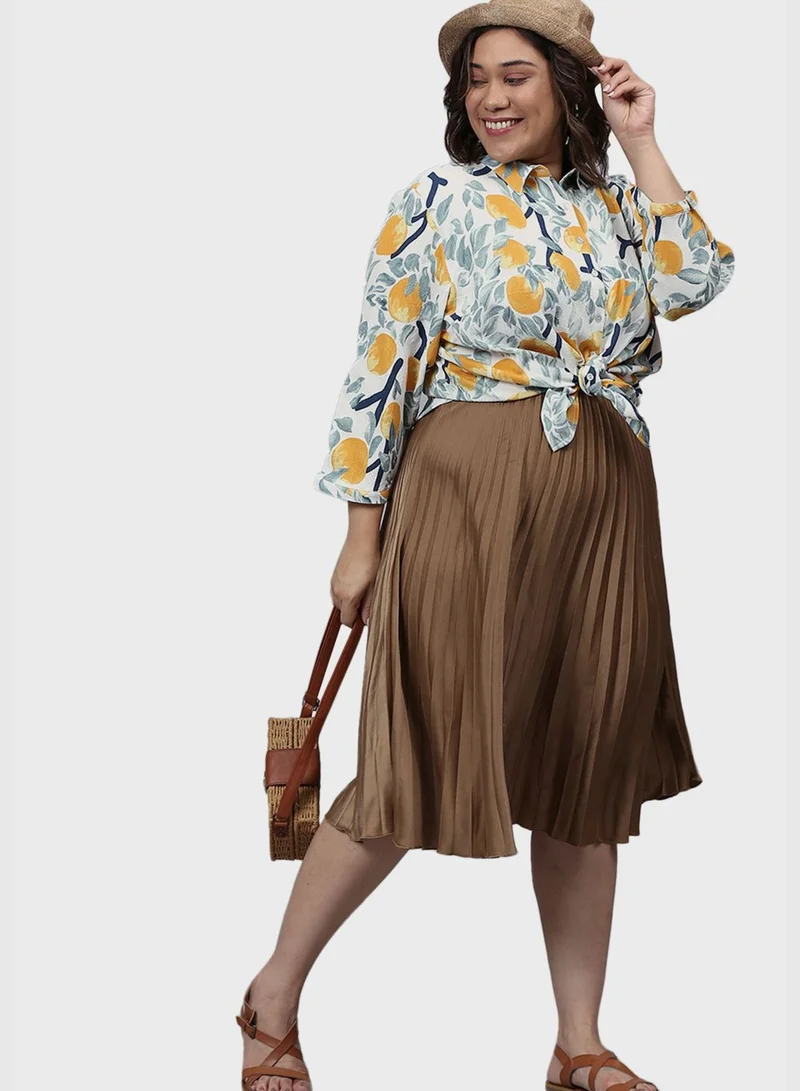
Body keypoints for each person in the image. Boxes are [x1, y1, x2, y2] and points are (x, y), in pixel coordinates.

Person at [236, 1, 735, 1088]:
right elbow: (378, 366)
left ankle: (578, 1041)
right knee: (412, 757)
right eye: (475, 79)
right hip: (463, 493)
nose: (492, 97)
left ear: (568, 86)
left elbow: (694, 283)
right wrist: (360, 535)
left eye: (515, 75)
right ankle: (272, 992)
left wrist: (643, 139)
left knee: (584, 768)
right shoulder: (434, 204)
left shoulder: (621, 205)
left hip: (603, 505)